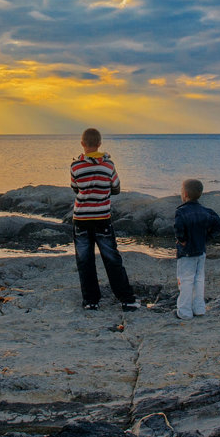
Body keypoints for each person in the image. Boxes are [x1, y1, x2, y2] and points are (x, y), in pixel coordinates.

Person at [70, 128, 139, 312]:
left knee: (85, 261)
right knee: (112, 258)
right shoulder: (108, 165)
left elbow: (75, 188)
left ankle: (91, 301)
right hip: (102, 217)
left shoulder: (75, 166)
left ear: (82, 143)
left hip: (81, 218)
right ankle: (126, 299)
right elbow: (116, 188)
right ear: (99, 143)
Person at [174, 178, 220, 320]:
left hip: (186, 252)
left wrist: (182, 240)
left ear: (185, 194)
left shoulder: (181, 212)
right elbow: (219, 225)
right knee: (199, 279)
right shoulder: (207, 211)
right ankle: (199, 308)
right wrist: (207, 238)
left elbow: (178, 228)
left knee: (185, 280)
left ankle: (184, 311)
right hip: (201, 250)